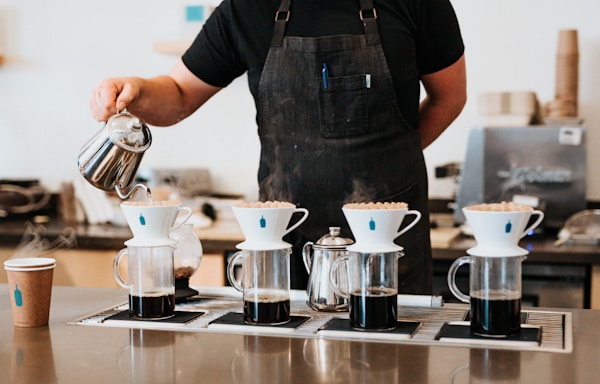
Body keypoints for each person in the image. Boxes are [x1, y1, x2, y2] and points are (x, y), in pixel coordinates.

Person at [90, 0, 466, 293]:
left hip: (386, 241)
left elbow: (450, 97)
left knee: (391, 376)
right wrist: (136, 90)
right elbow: (178, 95)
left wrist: (392, 159)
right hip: (281, 241)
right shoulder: (249, 8)